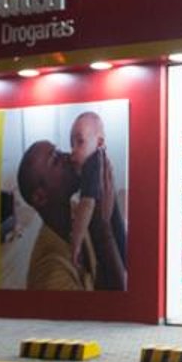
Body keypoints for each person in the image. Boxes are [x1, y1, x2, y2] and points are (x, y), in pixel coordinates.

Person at [16, 140, 90, 290]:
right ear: (40, 197)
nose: (68, 156)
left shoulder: (77, 211)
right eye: (56, 160)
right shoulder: (49, 274)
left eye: (60, 151)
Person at [67, 111, 128, 292]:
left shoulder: (92, 163)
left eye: (80, 142)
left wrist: (75, 241)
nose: (73, 151)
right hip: (116, 234)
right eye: (72, 144)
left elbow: (87, 204)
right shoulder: (100, 160)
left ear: (99, 142)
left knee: (114, 274)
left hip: (112, 238)